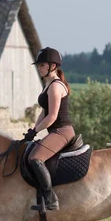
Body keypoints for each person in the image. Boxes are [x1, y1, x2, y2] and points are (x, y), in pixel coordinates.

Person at [24, 47, 75, 210]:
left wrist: (36, 131)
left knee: (35, 158)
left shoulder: (55, 86)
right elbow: (43, 112)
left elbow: (52, 116)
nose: (39, 68)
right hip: (55, 131)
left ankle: (51, 199)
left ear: (52, 66)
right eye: (38, 65)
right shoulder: (48, 84)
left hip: (62, 131)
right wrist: (33, 129)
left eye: (41, 65)